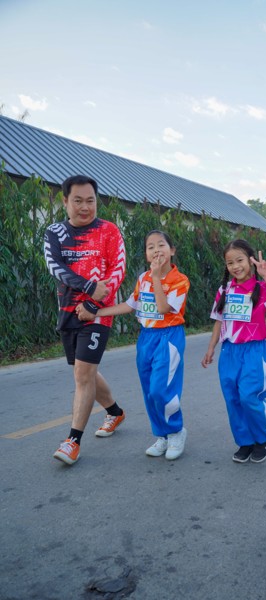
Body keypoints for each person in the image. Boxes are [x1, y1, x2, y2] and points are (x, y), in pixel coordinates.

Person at [77, 230, 190, 460]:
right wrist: (96, 313)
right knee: (149, 391)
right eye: (151, 247)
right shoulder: (143, 279)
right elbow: (130, 306)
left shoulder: (179, 280)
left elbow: (163, 309)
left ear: (172, 250)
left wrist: (156, 278)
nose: (156, 250)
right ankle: (162, 435)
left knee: (161, 389)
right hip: (146, 338)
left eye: (161, 245)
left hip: (168, 338)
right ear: (146, 254)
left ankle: (176, 431)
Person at [44, 175, 126, 465]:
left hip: (98, 313)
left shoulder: (108, 230)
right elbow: (54, 266)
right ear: (65, 201)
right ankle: (115, 412)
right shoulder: (55, 232)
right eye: (77, 201)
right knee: (84, 372)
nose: (85, 207)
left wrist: (93, 303)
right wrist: (88, 286)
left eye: (90, 201)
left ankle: (72, 441)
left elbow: (118, 270)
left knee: (82, 374)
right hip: (68, 311)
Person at [201, 239, 266, 464]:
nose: (235, 266)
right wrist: (211, 348)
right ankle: (245, 441)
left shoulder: (261, 288)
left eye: (239, 260)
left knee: (250, 396)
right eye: (230, 263)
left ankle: (262, 438)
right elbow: (219, 321)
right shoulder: (224, 290)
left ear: (250, 260)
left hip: (253, 351)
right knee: (233, 398)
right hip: (229, 352)